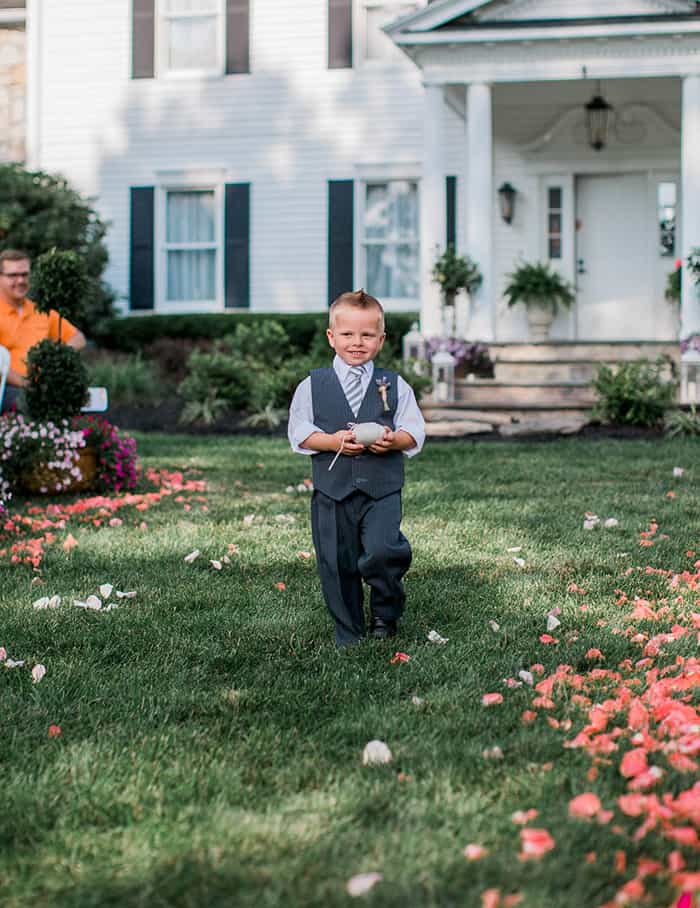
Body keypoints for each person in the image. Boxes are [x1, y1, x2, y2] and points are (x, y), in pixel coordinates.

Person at [288, 289, 425, 647]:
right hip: (332, 490)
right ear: (332, 337)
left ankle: (385, 612)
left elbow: (415, 430)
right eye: (348, 334)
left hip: (381, 489)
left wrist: (394, 441)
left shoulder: (394, 384)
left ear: (381, 340)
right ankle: (348, 631)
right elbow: (299, 431)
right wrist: (332, 442)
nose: (357, 342)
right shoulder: (312, 385)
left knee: (383, 551)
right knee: (336, 561)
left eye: (367, 335)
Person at [0, 249, 86, 413]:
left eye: (25, 274)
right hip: (6, 388)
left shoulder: (41, 311)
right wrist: (29, 384)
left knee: (83, 398)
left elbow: (78, 338)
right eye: (13, 275)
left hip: (43, 388)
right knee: (31, 403)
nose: (20, 280)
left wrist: (58, 357)